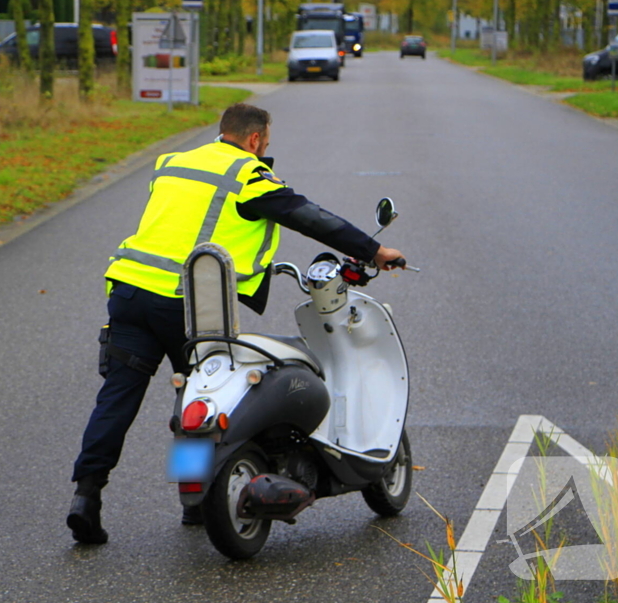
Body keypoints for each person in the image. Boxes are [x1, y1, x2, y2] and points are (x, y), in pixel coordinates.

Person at [67, 103, 406, 544]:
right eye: (265, 143)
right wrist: (374, 251)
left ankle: (86, 497)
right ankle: (195, 501)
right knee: (201, 397)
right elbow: (310, 217)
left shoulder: (174, 162)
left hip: (129, 292)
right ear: (254, 139)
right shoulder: (248, 175)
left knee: (116, 399)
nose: (264, 150)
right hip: (186, 303)